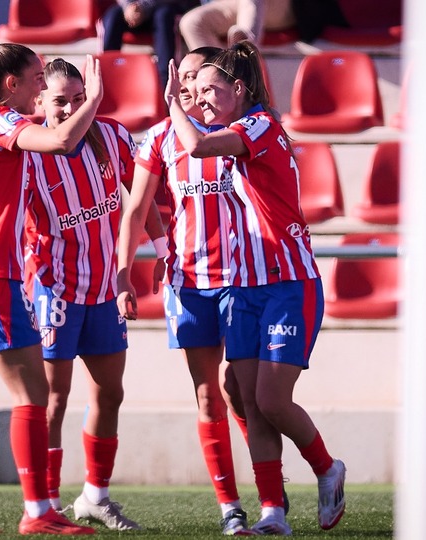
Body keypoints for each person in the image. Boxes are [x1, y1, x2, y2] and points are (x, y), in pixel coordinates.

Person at [161, 41, 346, 535]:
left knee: (270, 400)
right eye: (193, 92)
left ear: (239, 90)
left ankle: (327, 468)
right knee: (244, 396)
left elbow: (196, 145)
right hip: (245, 288)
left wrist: (173, 106)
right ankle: (273, 513)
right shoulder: (233, 129)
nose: (199, 100)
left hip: (288, 283)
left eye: (209, 91)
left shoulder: (258, 125)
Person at [0, 38, 104, 536]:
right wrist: (92, 99)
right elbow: (60, 141)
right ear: (10, 84)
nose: (41, 88)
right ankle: (38, 511)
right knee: (33, 394)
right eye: (35, 79)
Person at [116, 46, 256, 536]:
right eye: (185, 77)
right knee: (206, 395)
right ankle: (231, 507)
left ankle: (272, 497)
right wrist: (125, 270)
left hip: (243, 280)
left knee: (243, 393)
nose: (192, 87)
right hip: (189, 280)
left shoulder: (239, 133)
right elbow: (136, 207)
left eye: (200, 77)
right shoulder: (158, 138)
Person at [24, 58, 166, 531]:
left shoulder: (113, 136)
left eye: (78, 97)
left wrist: (163, 248)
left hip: (104, 288)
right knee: (52, 400)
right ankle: (44, 503)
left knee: (110, 393)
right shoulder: (27, 150)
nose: (70, 107)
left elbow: (141, 198)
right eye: (60, 99)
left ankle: (95, 497)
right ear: (39, 101)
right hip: (53, 289)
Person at [100, 0, 197, 86]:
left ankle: (166, 83)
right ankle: (107, 78)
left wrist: (143, 6)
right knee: (113, 16)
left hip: (167, 6)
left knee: (164, 16)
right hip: (135, 10)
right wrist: (129, 7)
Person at [179, 0, 296, 50]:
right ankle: (221, 75)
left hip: (283, 7)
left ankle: (245, 47)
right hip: (234, 4)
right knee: (191, 22)